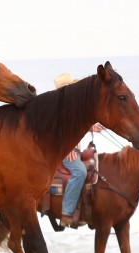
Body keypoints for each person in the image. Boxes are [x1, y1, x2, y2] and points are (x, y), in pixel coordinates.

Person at [53, 73, 103, 227]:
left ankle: (86, 209)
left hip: (73, 148)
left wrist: (91, 127)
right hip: (62, 149)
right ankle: (66, 214)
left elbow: (74, 127)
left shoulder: (70, 106)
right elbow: (56, 132)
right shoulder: (58, 108)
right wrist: (67, 149)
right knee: (80, 171)